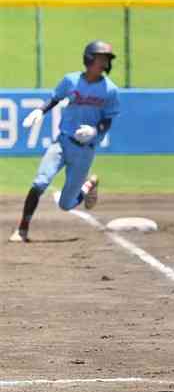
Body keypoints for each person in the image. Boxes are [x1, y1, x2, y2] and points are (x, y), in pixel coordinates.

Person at [8, 40, 118, 243]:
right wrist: (39, 111)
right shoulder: (71, 80)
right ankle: (22, 229)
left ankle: (89, 185)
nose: (103, 63)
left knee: (66, 205)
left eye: (106, 59)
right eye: (100, 58)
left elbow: (108, 119)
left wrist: (95, 130)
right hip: (62, 142)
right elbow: (55, 98)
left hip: (85, 151)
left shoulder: (110, 90)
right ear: (89, 59)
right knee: (39, 183)